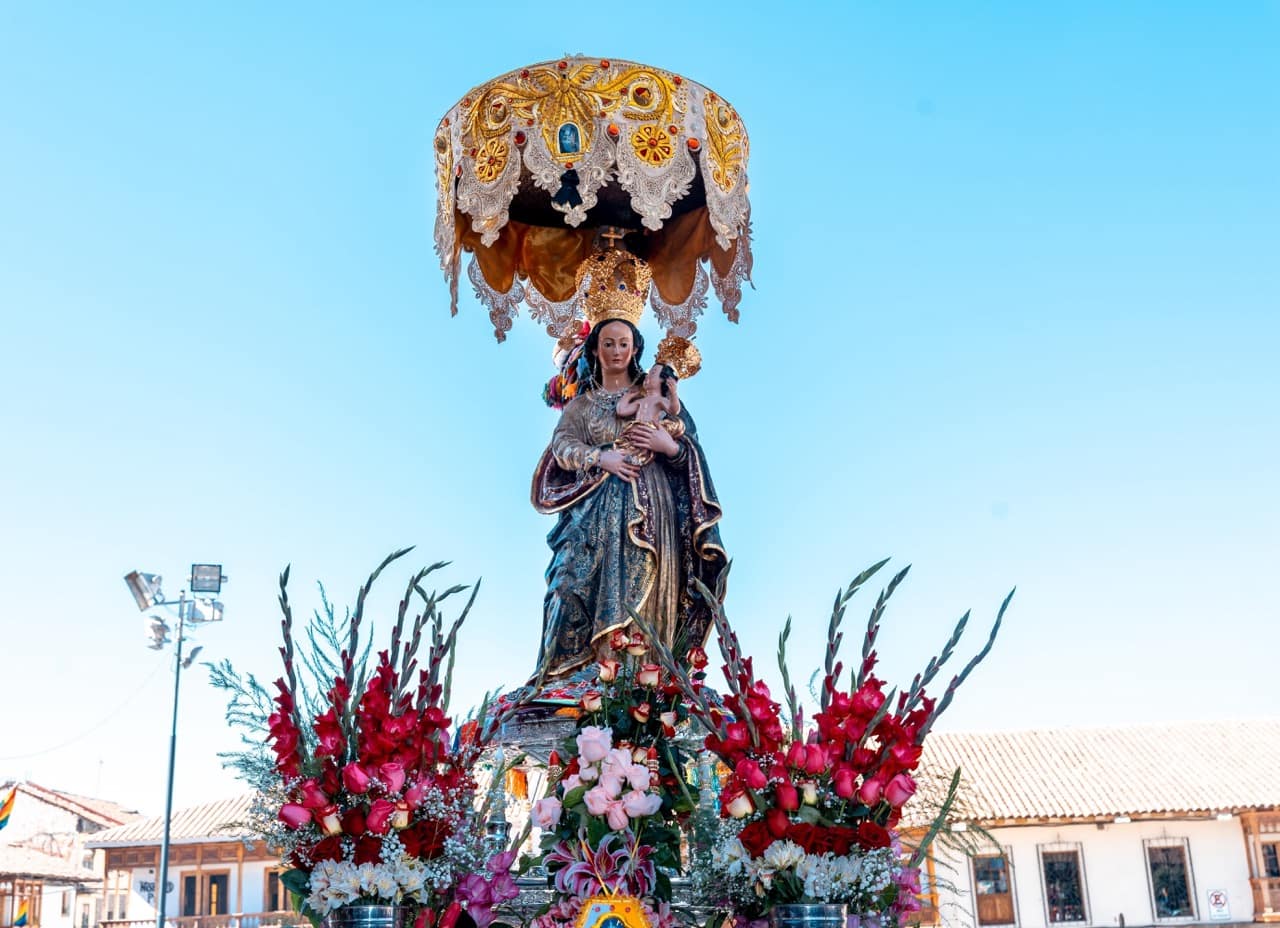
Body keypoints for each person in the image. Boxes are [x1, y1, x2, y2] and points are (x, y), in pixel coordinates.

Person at [531, 317, 728, 679]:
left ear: (635, 347)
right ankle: (572, 678)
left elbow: (687, 441)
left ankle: (641, 686)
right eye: (608, 343)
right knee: (567, 585)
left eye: (623, 343)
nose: (616, 352)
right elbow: (562, 445)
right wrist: (600, 456)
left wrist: (669, 447)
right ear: (595, 349)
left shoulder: (655, 395)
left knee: (646, 586)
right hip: (590, 514)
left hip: (650, 509)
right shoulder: (583, 406)